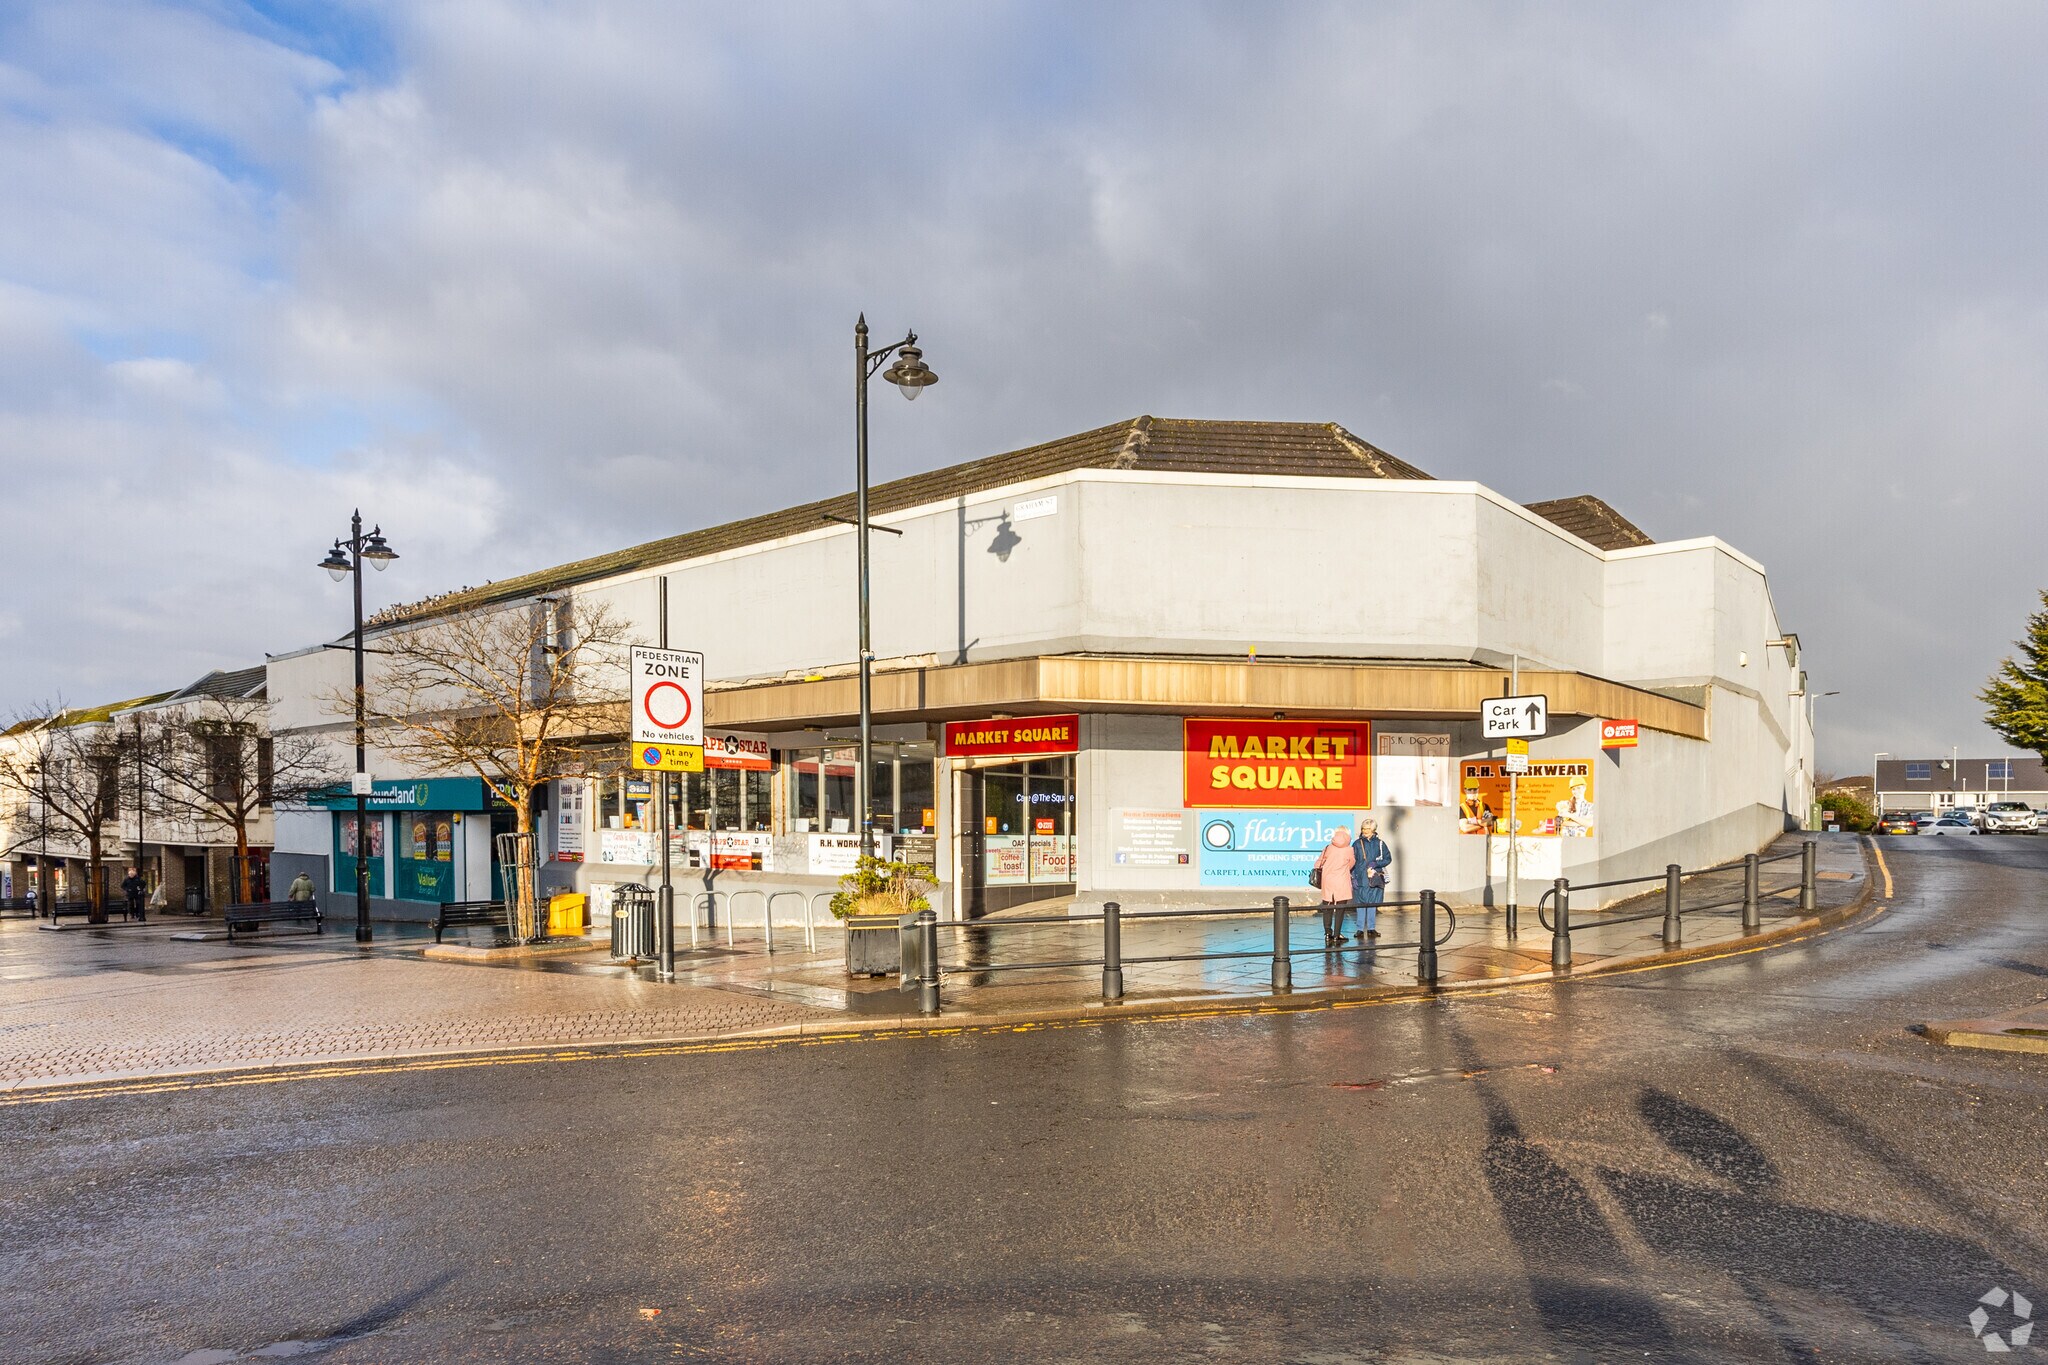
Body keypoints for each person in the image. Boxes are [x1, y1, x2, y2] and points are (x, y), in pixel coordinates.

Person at [1311, 826, 1355, 948]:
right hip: (1341, 881)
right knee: (1340, 909)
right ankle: (1336, 935)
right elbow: (1351, 864)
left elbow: (1318, 863)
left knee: (1327, 908)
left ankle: (1327, 933)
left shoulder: (1328, 848)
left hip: (1328, 881)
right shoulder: (1349, 849)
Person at [1351, 817, 1393, 939]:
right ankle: (1359, 929)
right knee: (1361, 903)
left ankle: (1371, 928)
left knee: (1372, 903)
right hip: (1361, 876)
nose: (1365, 831)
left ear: (1373, 829)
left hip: (1374, 876)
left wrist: (1376, 863)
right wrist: (1353, 876)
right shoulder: (1357, 844)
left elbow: (1388, 858)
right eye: (1363, 828)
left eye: (1367, 829)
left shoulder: (1380, 843)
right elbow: (1352, 861)